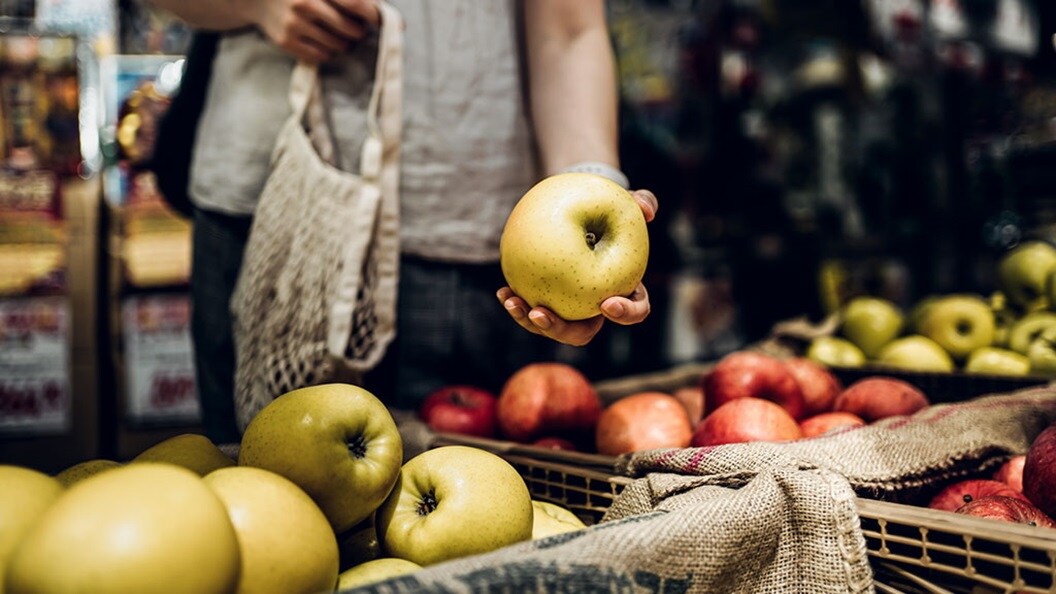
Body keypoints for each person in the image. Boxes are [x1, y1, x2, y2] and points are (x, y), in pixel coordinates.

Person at [147, 0, 659, 445]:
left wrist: (593, 182)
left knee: (475, 530)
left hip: (470, 239)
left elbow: (567, 31)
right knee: (263, 502)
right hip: (270, 227)